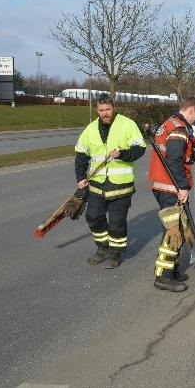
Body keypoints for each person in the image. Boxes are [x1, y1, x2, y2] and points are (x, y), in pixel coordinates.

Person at [75, 94, 146, 269]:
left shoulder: (127, 124)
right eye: (101, 110)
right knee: (93, 216)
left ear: (113, 108)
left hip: (121, 186)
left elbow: (140, 149)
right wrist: (81, 178)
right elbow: (81, 155)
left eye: (108, 109)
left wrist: (122, 154)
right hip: (97, 185)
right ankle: (103, 248)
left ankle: (115, 253)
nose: (105, 113)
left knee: (116, 223)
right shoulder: (90, 129)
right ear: (97, 111)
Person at [148, 97, 195, 292]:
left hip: (164, 184)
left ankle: (172, 269)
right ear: (190, 110)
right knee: (173, 232)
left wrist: (193, 156)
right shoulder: (179, 128)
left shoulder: (171, 123)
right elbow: (173, 159)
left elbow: (178, 155)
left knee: (178, 228)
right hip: (170, 187)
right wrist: (182, 187)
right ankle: (163, 276)